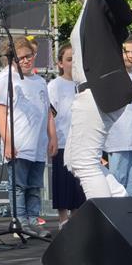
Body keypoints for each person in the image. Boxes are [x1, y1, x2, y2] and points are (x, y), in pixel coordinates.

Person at [63, 0, 132, 199]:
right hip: (85, 93)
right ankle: (121, 207)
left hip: (95, 91)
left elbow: (124, 18)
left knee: (84, 162)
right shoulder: (87, 3)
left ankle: (106, 228)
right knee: (74, 161)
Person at [0, 36, 58, 238]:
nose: (26, 61)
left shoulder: (39, 81)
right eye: (20, 58)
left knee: (35, 185)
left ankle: (33, 219)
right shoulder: (6, 79)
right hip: (19, 142)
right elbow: (1, 112)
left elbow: (47, 111)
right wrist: (8, 142)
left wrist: (52, 137)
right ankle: (20, 220)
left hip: (38, 143)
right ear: (12, 60)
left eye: (29, 56)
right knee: (19, 185)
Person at [47, 44, 85, 229]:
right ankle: (63, 218)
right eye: (69, 60)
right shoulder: (54, 85)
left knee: (79, 183)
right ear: (60, 64)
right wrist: (53, 137)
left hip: (81, 140)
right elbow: (50, 114)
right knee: (63, 181)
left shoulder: (83, 85)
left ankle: (77, 217)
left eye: (75, 60)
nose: (73, 63)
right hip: (63, 140)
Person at [106, 38, 132, 197]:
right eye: (126, 51)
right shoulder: (113, 76)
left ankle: (131, 217)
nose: (131, 55)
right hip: (118, 138)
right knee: (118, 180)